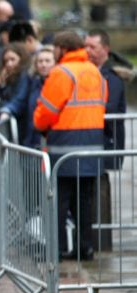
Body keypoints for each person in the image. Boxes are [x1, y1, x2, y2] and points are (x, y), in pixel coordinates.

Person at [34, 31, 107, 261]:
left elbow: (46, 111)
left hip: (64, 147)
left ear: (62, 49)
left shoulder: (61, 73)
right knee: (84, 202)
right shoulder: (94, 71)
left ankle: (55, 250)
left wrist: (39, 124)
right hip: (93, 145)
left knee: (59, 201)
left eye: (55, 48)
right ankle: (84, 248)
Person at [84, 29, 128, 169]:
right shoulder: (85, 70)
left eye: (92, 47)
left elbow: (111, 107)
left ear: (105, 49)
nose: (87, 50)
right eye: (86, 46)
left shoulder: (113, 76)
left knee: (101, 181)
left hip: (107, 138)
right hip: (90, 137)